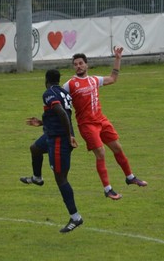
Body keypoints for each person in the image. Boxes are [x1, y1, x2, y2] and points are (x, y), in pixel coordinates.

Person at [62, 46, 147, 200]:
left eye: (81, 63)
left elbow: (113, 79)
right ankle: (107, 189)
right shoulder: (70, 84)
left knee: (117, 147)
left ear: (87, 65)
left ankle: (130, 177)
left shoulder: (94, 79)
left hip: (102, 121)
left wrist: (118, 59)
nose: (78, 66)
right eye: (75, 64)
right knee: (101, 153)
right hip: (87, 125)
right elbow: (59, 102)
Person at [20, 69, 83, 233]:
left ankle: (75, 217)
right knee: (35, 148)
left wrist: (69, 135)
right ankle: (37, 178)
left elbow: (62, 113)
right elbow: (60, 113)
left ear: (46, 79)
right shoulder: (63, 92)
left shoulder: (48, 93)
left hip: (59, 140)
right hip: (52, 135)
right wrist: (42, 122)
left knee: (61, 179)